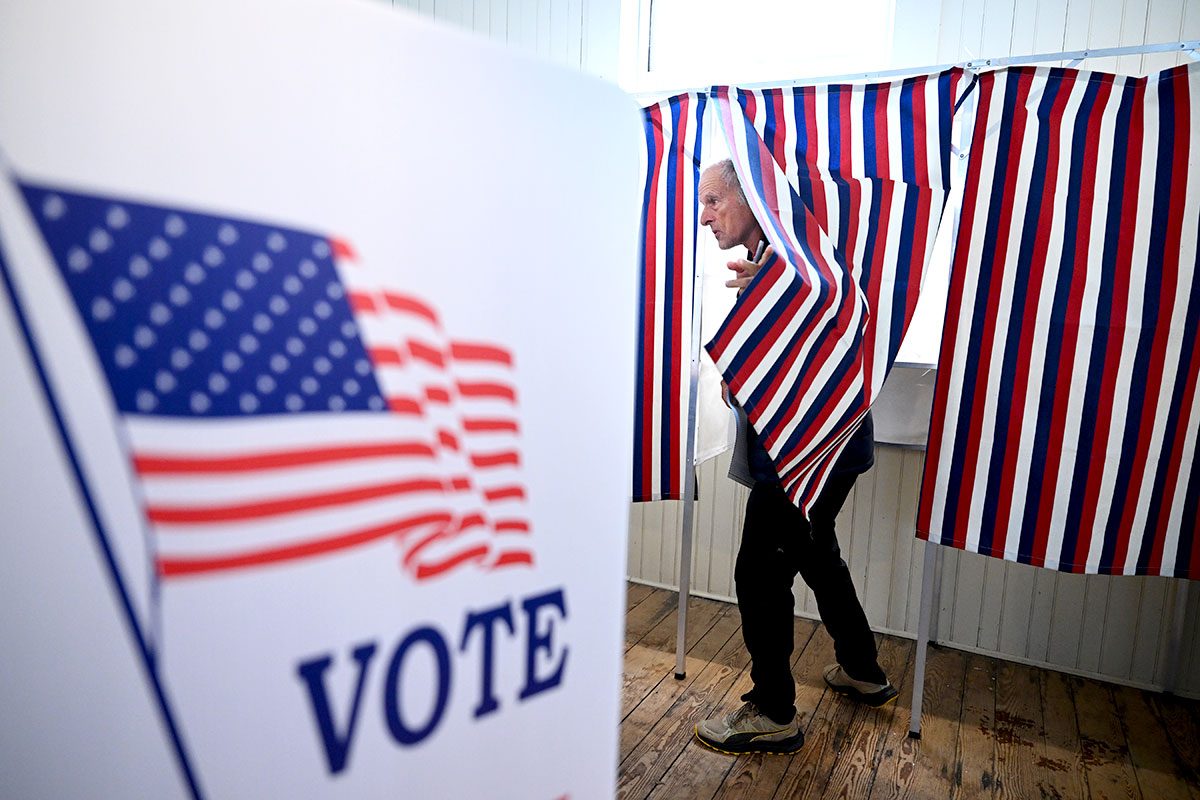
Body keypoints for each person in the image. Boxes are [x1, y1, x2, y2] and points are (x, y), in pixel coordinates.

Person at [693, 159, 896, 756]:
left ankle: (774, 711)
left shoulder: (792, 269)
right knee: (815, 549)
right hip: (833, 445)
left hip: (807, 452)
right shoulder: (785, 263)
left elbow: (777, 367)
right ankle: (863, 669)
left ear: (754, 198)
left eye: (713, 201)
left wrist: (763, 302)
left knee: (759, 570)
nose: (705, 216)